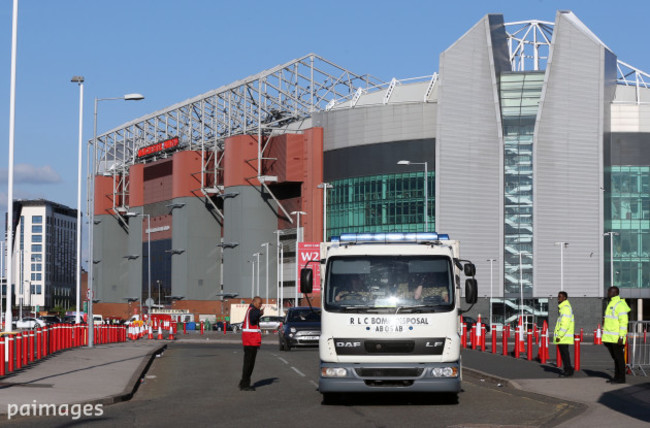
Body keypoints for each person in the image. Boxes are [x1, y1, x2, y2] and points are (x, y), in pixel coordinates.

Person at [602, 286, 631, 384]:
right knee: (616, 358)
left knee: (619, 359)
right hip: (610, 337)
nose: (608, 292)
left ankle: (621, 378)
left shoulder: (620, 304)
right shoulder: (611, 303)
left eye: (609, 291)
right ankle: (616, 377)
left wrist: (621, 336)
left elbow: (623, 322)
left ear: (615, 292)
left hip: (617, 338)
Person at [239, 296, 264, 391]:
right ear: (254, 302)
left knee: (249, 364)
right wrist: (260, 313)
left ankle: (243, 382)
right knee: (249, 364)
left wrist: (259, 313)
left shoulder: (251, 310)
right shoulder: (253, 311)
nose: (260, 305)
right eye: (259, 303)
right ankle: (245, 384)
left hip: (251, 341)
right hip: (250, 341)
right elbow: (253, 318)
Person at [553, 291, 574, 377]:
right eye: (558, 296)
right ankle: (567, 369)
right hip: (564, 336)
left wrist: (559, 335)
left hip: (563, 336)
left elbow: (565, 323)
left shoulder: (565, 308)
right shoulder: (563, 307)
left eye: (560, 296)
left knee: (565, 354)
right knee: (564, 354)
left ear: (565, 298)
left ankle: (568, 370)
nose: (558, 298)